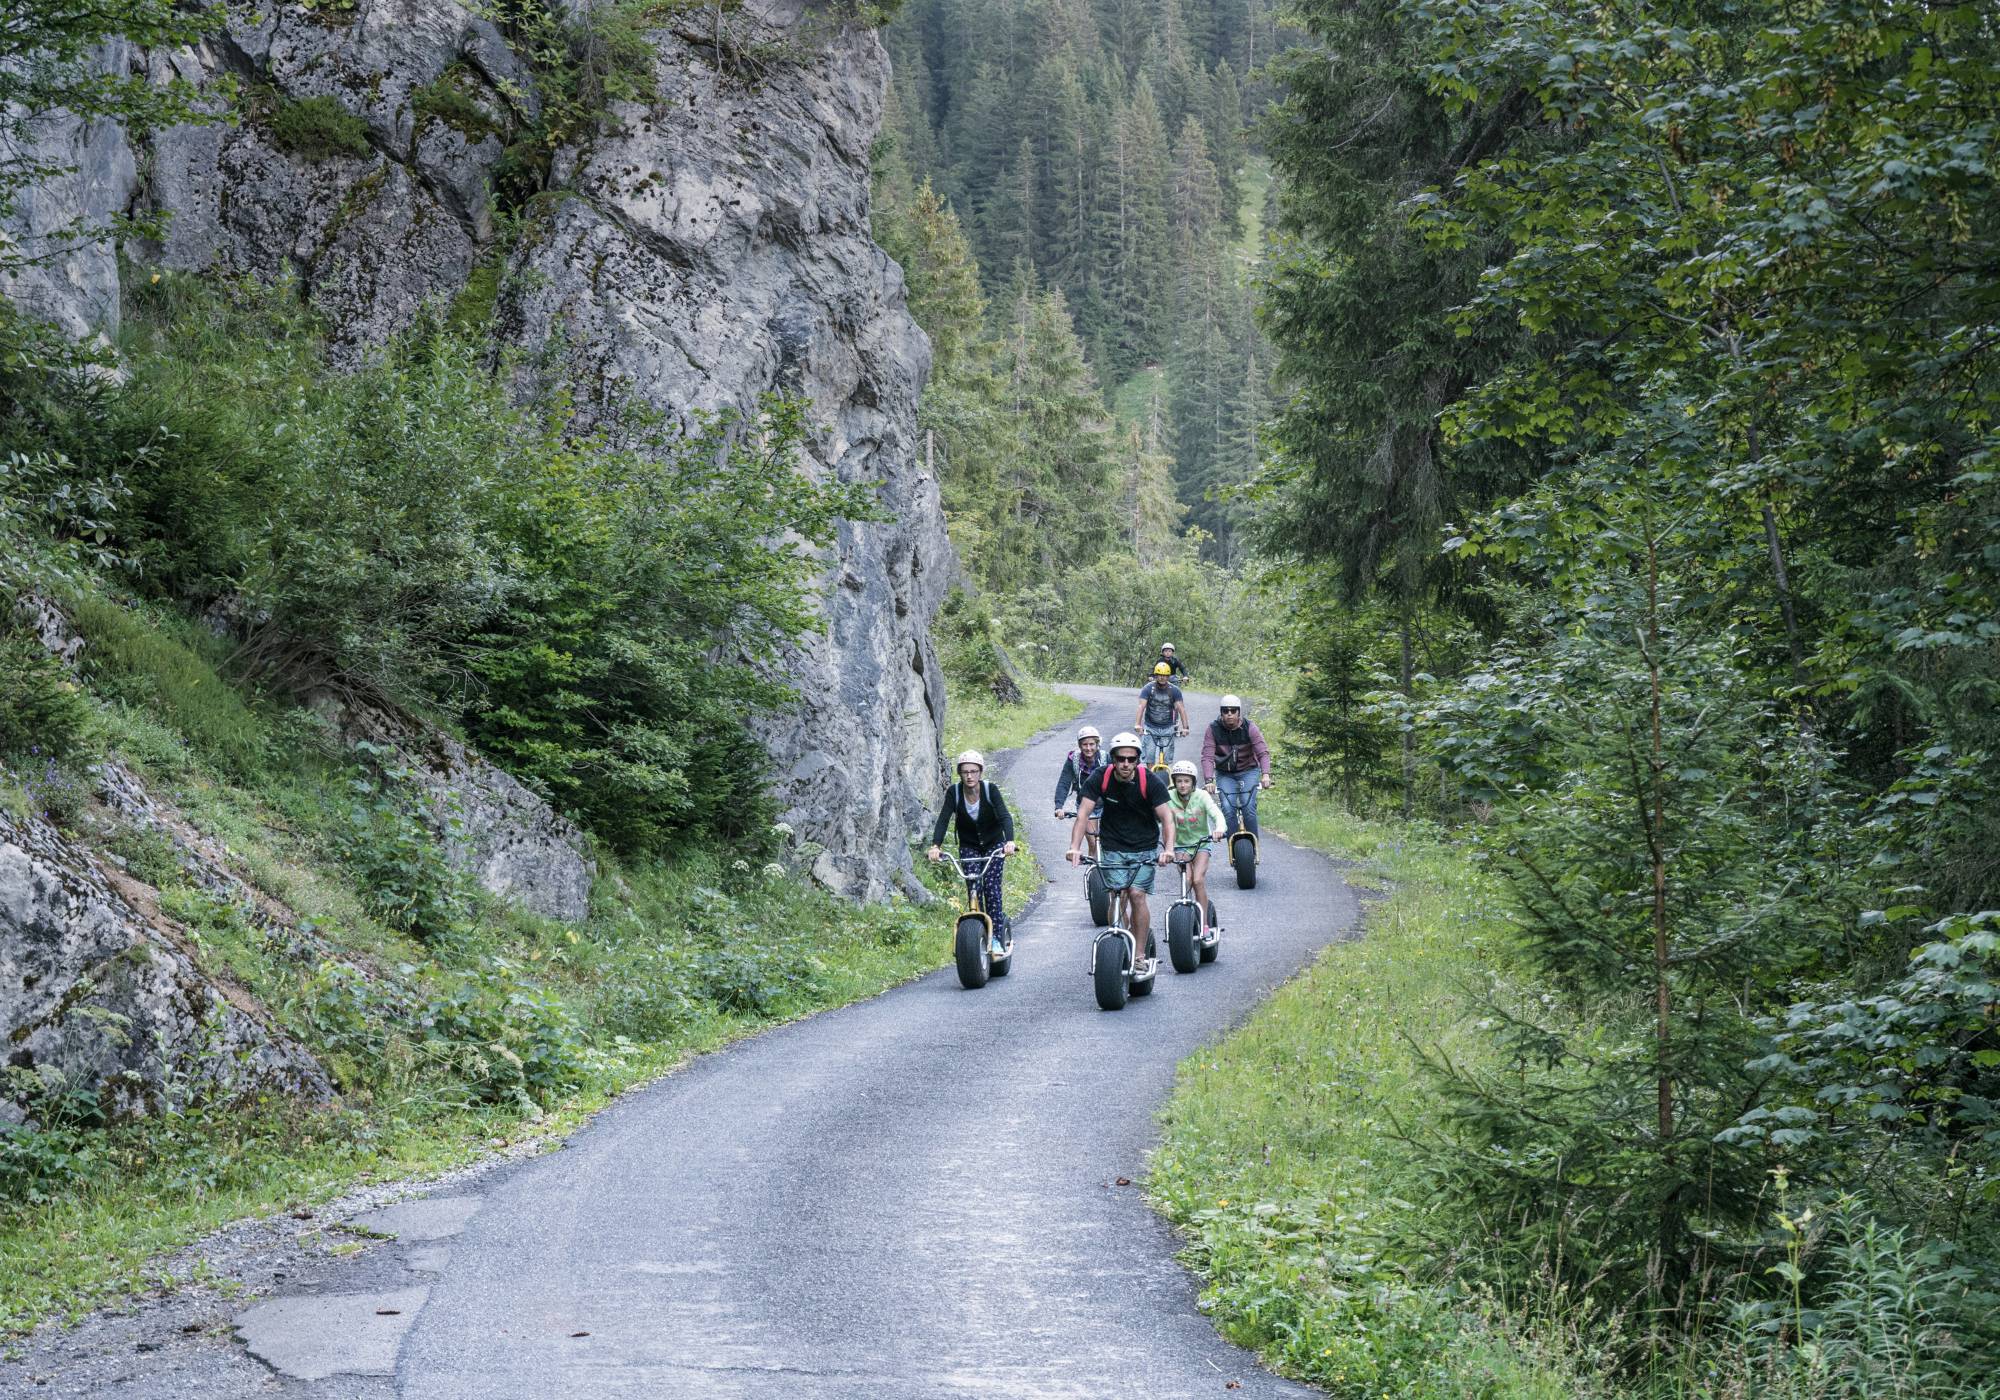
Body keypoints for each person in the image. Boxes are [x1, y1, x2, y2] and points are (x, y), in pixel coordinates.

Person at [1066, 732, 1175, 972]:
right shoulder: (1101, 777)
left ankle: (1138, 955)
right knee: (1117, 896)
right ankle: (1122, 939)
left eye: (1131, 759)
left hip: (1144, 847)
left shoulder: (1150, 780)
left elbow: (1167, 817)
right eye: (1121, 758)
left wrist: (1168, 849)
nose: (1126, 764)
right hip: (1113, 846)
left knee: (1136, 895)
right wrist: (1075, 847)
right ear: (1113, 759)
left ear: (1137, 760)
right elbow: (1083, 813)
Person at [927, 750, 1019, 954]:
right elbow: (943, 819)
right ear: (960, 773)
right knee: (973, 887)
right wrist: (936, 845)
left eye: (974, 771)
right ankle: (977, 933)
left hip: (994, 845)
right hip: (969, 846)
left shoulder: (990, 790)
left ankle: (995, 938)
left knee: (992, 888)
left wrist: (1010, 842)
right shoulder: (955, 792)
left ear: (980, 772)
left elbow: (1004, 816)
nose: (969, 776)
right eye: (965, 772)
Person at [1166, 760, 1225, 933]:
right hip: (1180, 845)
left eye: (1186, 781)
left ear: (1193, 782)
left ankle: (1204, 923)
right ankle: (1185, 917)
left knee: (1198, 880)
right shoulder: (1169, 798)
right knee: (1187, 880)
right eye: (1179, 781)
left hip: (1201, 843)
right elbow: (1158, 817)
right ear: (1174, 782)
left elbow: (1216, 814)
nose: (1182, 785)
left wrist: (1219, 829)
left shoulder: (1202, 796)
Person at [1200, 694, 1272, 838]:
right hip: (1225, 774)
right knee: (1227, 808)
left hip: (1248, 771)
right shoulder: (1213, 729)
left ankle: (1253, 848)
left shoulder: (1250, 728)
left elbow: (1263, 753)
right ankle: (1233, 849)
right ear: (1221, 712)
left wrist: (1265, 775)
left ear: (1239, 712)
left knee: (1248, 807)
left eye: (1233, 711)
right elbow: (1207, 756)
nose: (1229, 714)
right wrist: (1209, 780)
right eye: (1226, 711)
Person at [1053, 724, 1106, 858]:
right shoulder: (1073, 761)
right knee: (1094, 842)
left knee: (1109, 843)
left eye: (1092, 744)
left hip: (1107, 804)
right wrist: (1059, 806)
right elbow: (1064, 783)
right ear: (1080, 745)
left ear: (1097, 744)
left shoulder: (1106, 759)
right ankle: (1093, 873)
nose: (1088, 748)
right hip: (1086, 806)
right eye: (1084, 744)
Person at [1135, 664, 1189, 767]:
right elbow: (1141, 707)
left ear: (1168, 676)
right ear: (1156, 675)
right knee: (1149, 756)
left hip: (1168, 727)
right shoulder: (1148, 688)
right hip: (1150, 727)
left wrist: (1185, 728)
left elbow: (1181, 709)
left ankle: (1163, 778)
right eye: (1159, 675)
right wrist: (1137, 725)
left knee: (1166, 760)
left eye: (1165, 675)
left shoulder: (1174, 690)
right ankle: (1151, 778)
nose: (1162, 677)